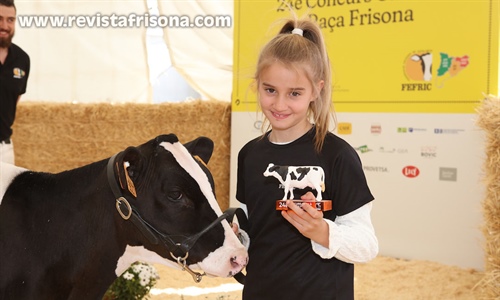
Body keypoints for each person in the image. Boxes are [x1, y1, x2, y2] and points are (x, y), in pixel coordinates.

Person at [235, 14, 378, 299]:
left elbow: (366, 246)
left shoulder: (338, 155)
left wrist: (322, 231)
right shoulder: (249, 154)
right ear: (257, 85)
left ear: (316, 90)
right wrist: (235, 238)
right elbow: (254, 230)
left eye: (295, 93)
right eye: (270, 90)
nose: (279, 104)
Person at [0, 0, 29, 164]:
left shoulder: (22, 59)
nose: (4, 25)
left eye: (10, 20)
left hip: (4, 150)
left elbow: (14, 99)